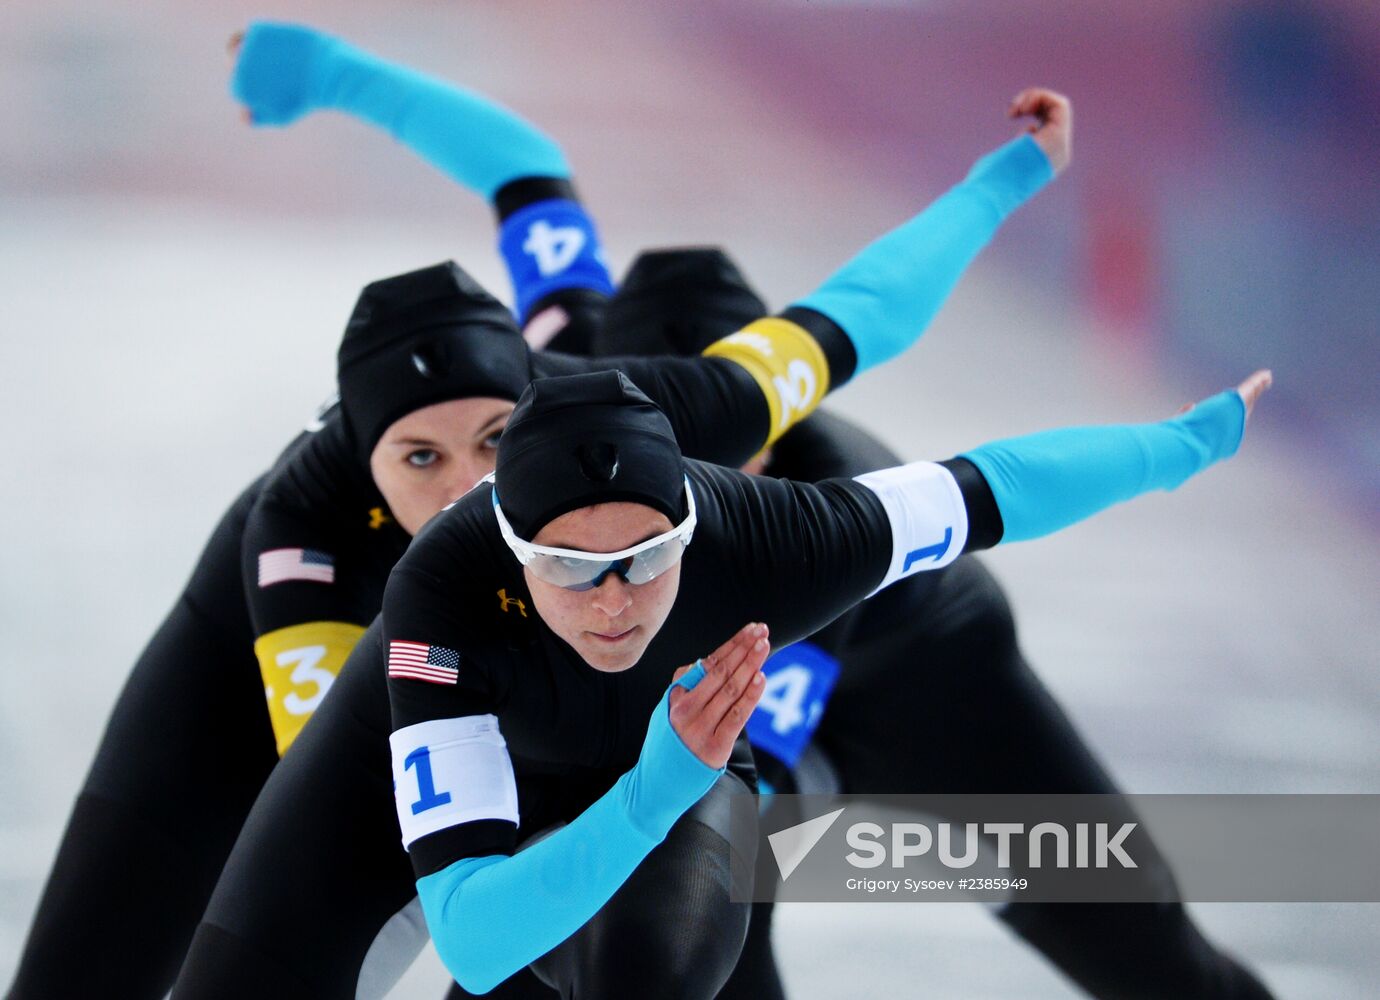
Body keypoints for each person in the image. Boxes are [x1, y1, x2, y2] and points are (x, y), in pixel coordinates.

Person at [8, 29, 1064, 1000]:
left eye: (496, 443)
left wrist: (1009, 173)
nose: (470, 483)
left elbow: (858, 315)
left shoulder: (675, 411)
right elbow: (350, 807)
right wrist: (322, 74)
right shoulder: (309, 527)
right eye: (426, 456)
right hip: (297, 686)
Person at [381, 363, 1272, 998]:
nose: (612, 594)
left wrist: (1183, 444)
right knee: (652, 931)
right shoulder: (474, 572)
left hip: (925, 680)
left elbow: (1001, 484)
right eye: (573, 562)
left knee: (1151, 957)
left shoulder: (797, 526)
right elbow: (485, 935)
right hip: (712, 738)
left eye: (647, 554)